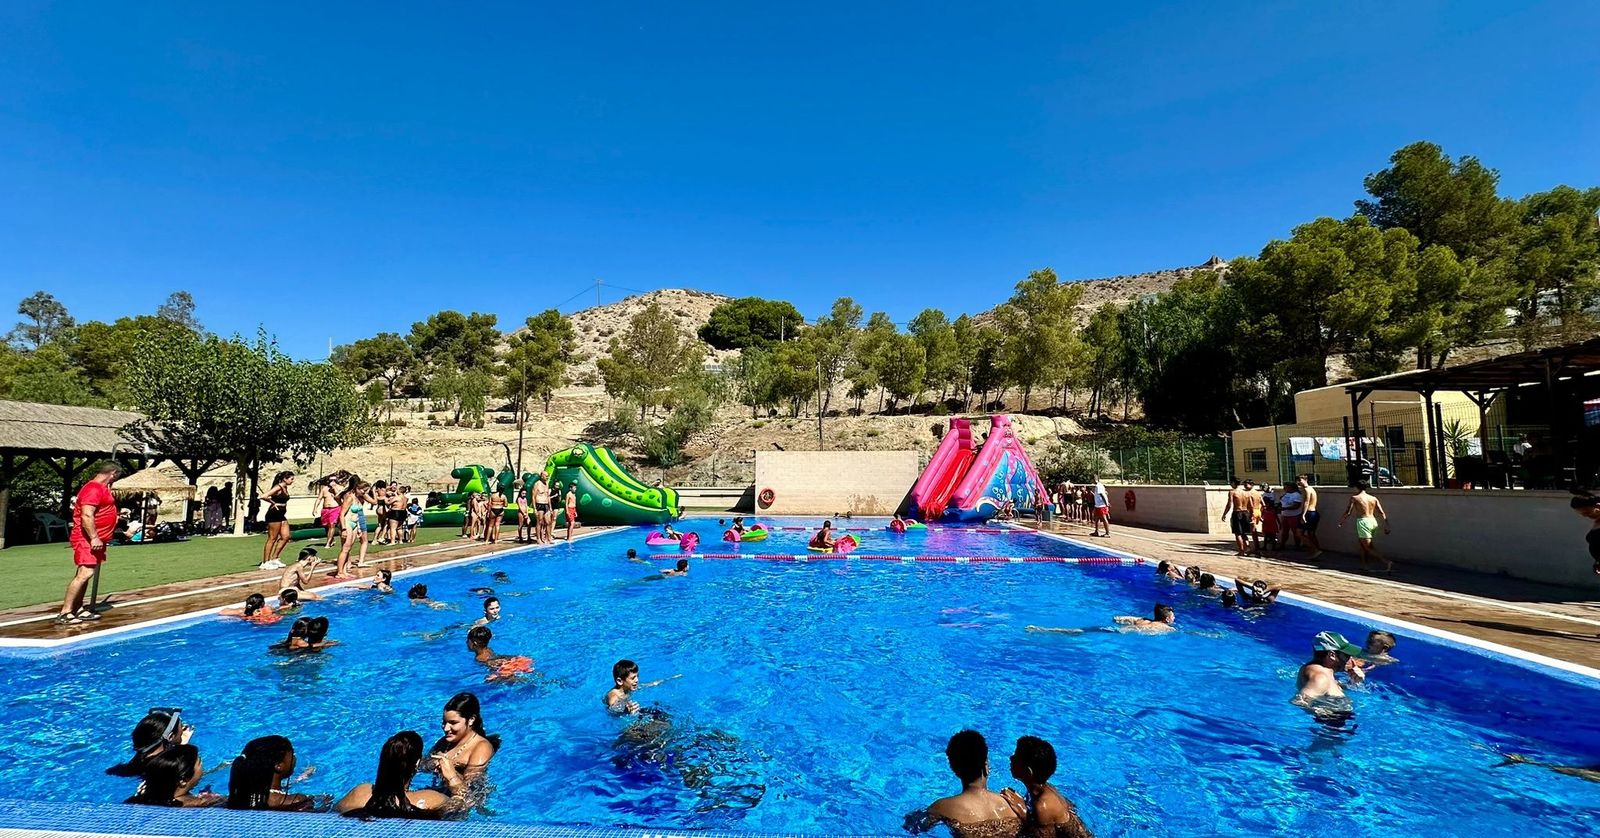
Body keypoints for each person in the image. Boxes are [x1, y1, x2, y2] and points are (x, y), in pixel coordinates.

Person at [910, 729, 1022, 838]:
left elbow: (913, 828)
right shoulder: (1012, 803)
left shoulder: (943, 807)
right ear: (986, 766)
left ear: (954, 769)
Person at [57, 462, 121, 625]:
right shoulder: (93, 489)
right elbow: (86, 515)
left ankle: (77, 608)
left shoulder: (102, 489)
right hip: (86, 538)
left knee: (86, 573)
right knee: (85, 573)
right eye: (117, 476)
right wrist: (94, 537)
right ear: (113, 473)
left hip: (97, 539)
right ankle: (65, 611)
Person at [335, 731, 450, 818]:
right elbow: (458, 810)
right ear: (417, 763)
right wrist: (452, 778)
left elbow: (334, 812)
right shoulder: (429, 799)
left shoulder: (360, 793)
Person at [1000, 736, 1094, 838]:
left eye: (1016, 757)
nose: (1011, 758)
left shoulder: (1043, 807)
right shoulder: (1043, 789)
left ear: (1028, 772)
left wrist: (1023, 813)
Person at [428, 692, 500, 799]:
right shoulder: (443, 742)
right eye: (444, 722)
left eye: (453, 723)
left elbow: (471, 794)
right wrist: (432, 764)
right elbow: (422, 765)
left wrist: (451, 772)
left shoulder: (481, 748)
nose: (446, 728)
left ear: (471, 720)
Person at [226, 735, 315, 811]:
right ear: (278, 765)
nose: (294, 758)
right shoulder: (296, 800)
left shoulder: (238, 797)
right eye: (292, 754)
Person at [124, 744, 222, 807]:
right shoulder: (195, 804)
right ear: (183, 781)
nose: (202, 766)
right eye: (200, 763)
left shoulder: (145, 793)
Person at [1293, 631, 1365, 715]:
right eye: (1347, 655)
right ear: (1332, 655)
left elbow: (1328, 690)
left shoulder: (1316, 669)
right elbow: (1299, 701)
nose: (1351, 660)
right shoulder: (1320, 678)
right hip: (1331, 721)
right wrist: (1323, 713)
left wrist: (1354, 681)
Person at [106, 709, 193, 777]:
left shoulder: (125, 768)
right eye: (181, 728)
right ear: (170, 737)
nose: (183, 730)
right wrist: (185, 749)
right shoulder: (168, 769)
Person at [1338, 480, 1393, 572]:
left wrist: (1341, 521)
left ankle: (1387, 562)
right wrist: (1386, 524)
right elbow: (1381, 512)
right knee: (1362, 545)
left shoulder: (1355, 498)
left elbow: (1348, 512)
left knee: (1368, 547)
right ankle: (1364, 566)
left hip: (1363, 522)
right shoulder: (1373, 498)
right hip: (1373, 521)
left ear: (1357, 487)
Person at [604, 658, 680, 715]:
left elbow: (652, 684)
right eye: (633, 678)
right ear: (620, 681)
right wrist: (625, 710)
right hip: (624, 714)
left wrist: (669, 678)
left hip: (630, 708)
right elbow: (613, 710)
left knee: (659, 709)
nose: (637, 680)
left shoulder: (628, 687)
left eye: (637, 676)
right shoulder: (613, 696)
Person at [466, 625, 534, 682]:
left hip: (502, 666)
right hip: (507, 660)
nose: (466, 643)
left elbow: (492, 665)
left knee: (489, 680)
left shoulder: (479, 658)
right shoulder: (488, 649)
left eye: (468, 641)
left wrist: (495, 676)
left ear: (474, 643)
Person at [334, 480, 372, 579]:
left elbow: (358, 515)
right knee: (345, 549)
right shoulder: (350, 498)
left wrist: (358, 527)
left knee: (349, 548)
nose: (364, 493)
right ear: (357, 488)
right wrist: (343, 529)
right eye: (363, 491)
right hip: (347, 524)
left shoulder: (358, 499)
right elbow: (342, 514)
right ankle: (339, 572)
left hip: (354, 524)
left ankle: (344, 571)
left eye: (366, 491)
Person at [259, 471, 295, 570]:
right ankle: (265, 562)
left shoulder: (285, 487)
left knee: (286, 536)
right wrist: (273, 502)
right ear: (285, 479)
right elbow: (263, 496)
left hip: (281, 515)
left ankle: (274, 558)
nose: (292, 481)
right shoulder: (278, 487)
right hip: (274, 514)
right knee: (272, 538)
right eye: (291, 479)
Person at [315, 471, 348, 549]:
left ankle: (328, 543)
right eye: (330, 480)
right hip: (325, 509)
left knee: (332, 525)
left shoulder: (339, 488)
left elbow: (339, 497)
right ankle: (331, 539)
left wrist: (334, 488)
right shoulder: (324, 489)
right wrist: (315, 508)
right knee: (326, 526)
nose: (332, 482)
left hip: (335, 508)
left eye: (334, 480)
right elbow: (319, 498)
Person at [1572, 493, 1600, 575]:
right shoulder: (1597, 522)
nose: (1585, 516)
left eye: (1587, 512)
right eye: (1583, 514)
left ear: (1598, 506)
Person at [1297, 475, 1324, 560]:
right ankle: (1316, 552)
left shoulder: (1307, 490)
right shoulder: (1311, 489)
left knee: (1299, 533)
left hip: (1309, 513)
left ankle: (1315, 550)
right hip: (1313, 513)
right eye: (1297, 480)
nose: (1298, 482)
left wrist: (1303, 514)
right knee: (1311, 534)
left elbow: (1306, 502)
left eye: (1300, 480)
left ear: (1305, 480)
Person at [1276, 481, 1304, 551]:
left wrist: (1285, 508)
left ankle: (1297, 546)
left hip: (1294, 515)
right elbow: (1282, 502)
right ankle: (1282, 545)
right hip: (1285, 515)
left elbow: (1296, 506)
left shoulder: (1297, 495)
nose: (1284, 488)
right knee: (1284, 531)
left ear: (1291, 487)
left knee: (1295, 531)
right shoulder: (1286, 494)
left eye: (1286, 487)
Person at [1112, 604, 1176, 634]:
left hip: (1131, 627)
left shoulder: (1143, 620)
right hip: (1136, 630)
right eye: (1173, 616)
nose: (1174, 618)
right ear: (1167, 619)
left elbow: (1128, 619)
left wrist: (1117, 619)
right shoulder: (1168, 628)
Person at [532, 475, 552, 544]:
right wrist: (534, 508)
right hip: (539, 504)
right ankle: (538, 538)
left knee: (548, 522)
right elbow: (533, 496)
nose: (547, 477)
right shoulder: (537, 484)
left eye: (548, 476)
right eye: (546, 476)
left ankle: (548, 538)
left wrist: (550, 507)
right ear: (542, 476)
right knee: (539, 522)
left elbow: (548, 496)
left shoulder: (547, 484)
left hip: (546, 504)